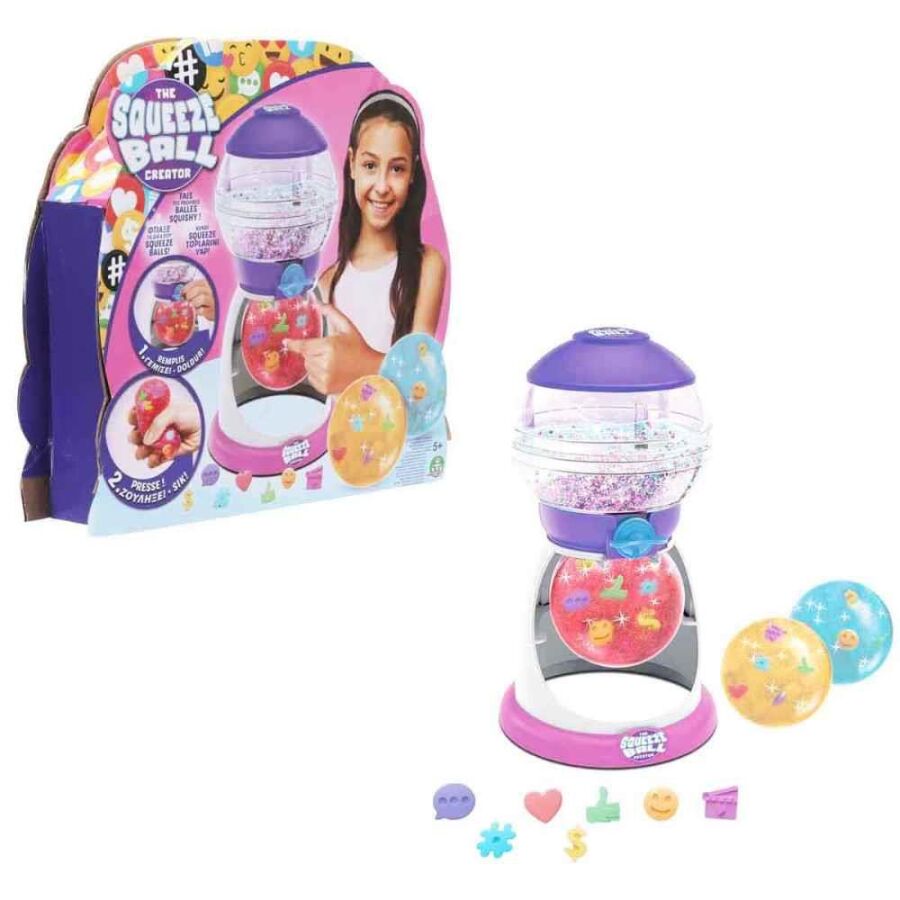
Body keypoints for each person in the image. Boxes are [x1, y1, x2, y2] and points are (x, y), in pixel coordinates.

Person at [284, 91, 446, 395]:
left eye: (397, 169)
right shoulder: (328, 284)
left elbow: (422, 380)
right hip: (342, 426)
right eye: (370, 165)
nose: (382, 186)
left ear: (412, 172)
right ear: (352, 163)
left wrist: (361, 364)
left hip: (405, 425)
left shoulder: (427, 265)